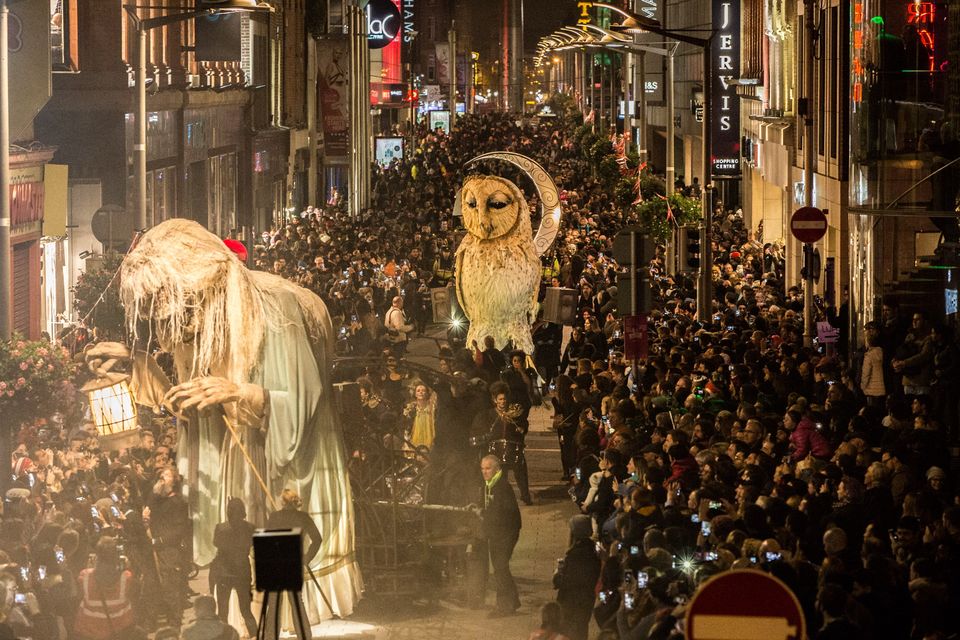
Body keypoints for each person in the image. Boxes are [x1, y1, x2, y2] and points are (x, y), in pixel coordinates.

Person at [85, 219, 361, 621]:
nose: (171, 320)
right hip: (236, 469)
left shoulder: (275, 310)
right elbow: (191, 409)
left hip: (272, 463)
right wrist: (136, 364)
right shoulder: (195, 324)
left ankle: (276, 614)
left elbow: (303, 402)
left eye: (174, 302)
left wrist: (237, 391)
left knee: (275, 587)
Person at [144, 465, 190, 628]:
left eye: (167, 475)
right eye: (161, 475)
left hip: (169, 549)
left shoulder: (178, 502)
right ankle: (154, 619)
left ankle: (175, 621)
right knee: (154, 585)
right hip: (154, 548)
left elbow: (179, 530)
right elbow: (149, 507)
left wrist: (160, 541)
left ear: (174, 481)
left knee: (171, 586)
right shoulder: (157, 498)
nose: (163, 477)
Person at [480, 454, 522, 617]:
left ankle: (505, 605)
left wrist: (487, 518)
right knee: (500, 567)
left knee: (500, 567)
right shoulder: (489, 485)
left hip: (505, 532)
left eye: (488, 468)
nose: (485, 472)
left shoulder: (501, 486)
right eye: (482, 468)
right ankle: (512, 601)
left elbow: (504, 512)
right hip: (498, 532)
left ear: (497, 469)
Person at [74, 538, 138, 640]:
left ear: (97, 556)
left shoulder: (85, 576)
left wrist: (91, 567)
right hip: (119, 630)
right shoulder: (126, 577)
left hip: (89, 631)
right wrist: (127, 567)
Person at [212, 497, 257, 638]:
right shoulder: (250, 528)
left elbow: (216, 544)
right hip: (243, 571)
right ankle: (256, 636)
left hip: (224, 572)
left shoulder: (220, 528)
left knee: (223, 612)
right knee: (246, 611)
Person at [553, 515, 600, 640]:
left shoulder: (576, 554)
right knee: (581, 630)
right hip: (586, 600)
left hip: (572, 603)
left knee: (570, 633)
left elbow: (566, 581)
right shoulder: (593, 550)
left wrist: (557, 574)